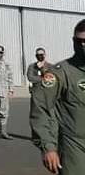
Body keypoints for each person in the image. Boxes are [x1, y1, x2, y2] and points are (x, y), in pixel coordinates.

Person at [30, 19, 85, 175]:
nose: (83, 45)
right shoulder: (60, 73)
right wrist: (49, 147)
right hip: (75, 147)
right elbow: (40, 108)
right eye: (79, 41)